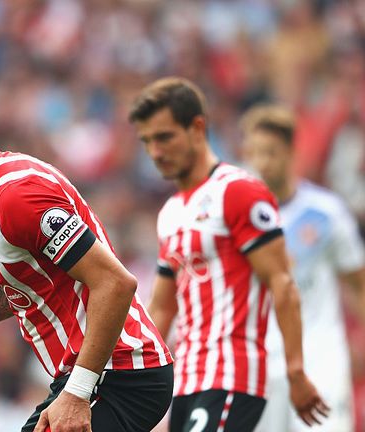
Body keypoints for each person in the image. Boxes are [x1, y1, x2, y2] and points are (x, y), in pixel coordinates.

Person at [0, 63, 174, 432]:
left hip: (121, 373)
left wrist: (78, 393)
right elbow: (24, 283)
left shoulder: (17, 196)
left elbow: (116, 283)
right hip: (89, 377)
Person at [128, 77, 329, 432]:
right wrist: (133, 376)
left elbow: (282, 282)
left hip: (232, 373)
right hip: (187, 380)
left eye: (164, 137)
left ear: (197, 128)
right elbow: (162, 306)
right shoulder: (171, 211)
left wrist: (296, 371)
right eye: (147, 142)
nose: (155, 152)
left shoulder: (239, 192)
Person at [240, 104, 365, 432]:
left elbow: (358, 285)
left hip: (320, 357)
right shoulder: (234, 219)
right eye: (255, 152)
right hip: (259, 363)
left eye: (271, 152)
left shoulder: (327, 213)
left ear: (293, 152)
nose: (262, 162)